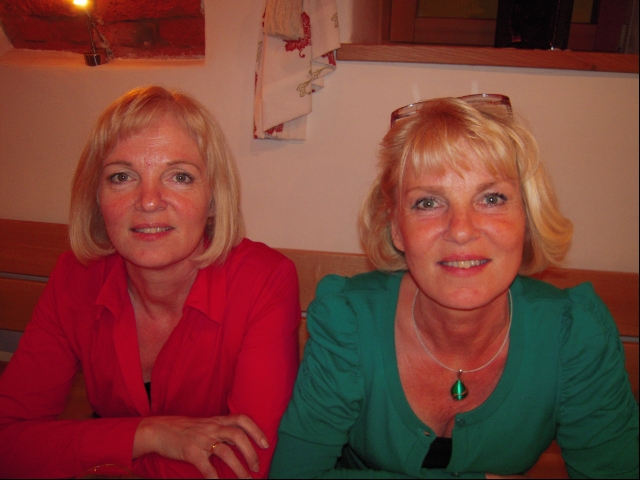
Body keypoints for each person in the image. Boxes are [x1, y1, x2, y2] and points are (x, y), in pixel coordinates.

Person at [270, 95, 639, 478]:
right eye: (428, 203)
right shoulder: (347, 323)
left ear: (527, 217)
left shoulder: (574, 336)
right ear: (396, 228)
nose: (461, 230)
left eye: (491, 198)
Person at [0, 86, 301, 479]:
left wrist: (99, 453)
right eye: (122, 176)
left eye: (179, 176)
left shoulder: (264, 282)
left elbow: (244, 466)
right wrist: (149, 435)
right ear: (96, 197)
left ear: (213, 200)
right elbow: (8, 440)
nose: (148, 200)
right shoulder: (76, 277)